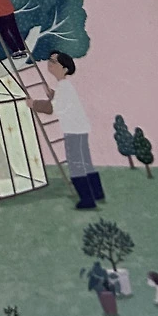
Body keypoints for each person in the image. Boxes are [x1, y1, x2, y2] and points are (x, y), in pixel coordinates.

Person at [32, 50, 102, 209]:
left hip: (73, 130)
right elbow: (61, 102)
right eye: (50, 60)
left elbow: (51, 108)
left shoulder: (64, 88)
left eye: (54, 62)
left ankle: (87, 199)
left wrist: (33, 104)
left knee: (76, 164)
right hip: (80, 127)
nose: (50, 63)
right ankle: (97, 193)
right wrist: (52, 94)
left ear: (64, 69)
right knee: (85, 162)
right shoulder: (65, 86)